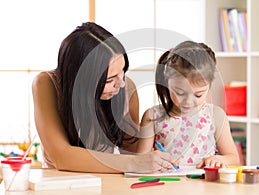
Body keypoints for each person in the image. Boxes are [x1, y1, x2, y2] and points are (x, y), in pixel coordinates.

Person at [32, 22, 175, 173]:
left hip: (104, 185)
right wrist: (133, 163)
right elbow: (61, 157)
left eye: (123, 71)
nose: (120, 84)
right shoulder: (47, 84)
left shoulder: (126, 88)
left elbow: (133, 153)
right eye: (109, 79)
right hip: (59, 186)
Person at [136, 41, 240, 168]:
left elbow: (234, 158)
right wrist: (151, 161)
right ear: (167, 83)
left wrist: (219, 160)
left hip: (204, 185)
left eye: (198, 95)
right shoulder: (153, 116)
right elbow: (139, 162)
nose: (188, 101)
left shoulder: (216, 116)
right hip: (165, 185)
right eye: (180, 93)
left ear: (209, 86)